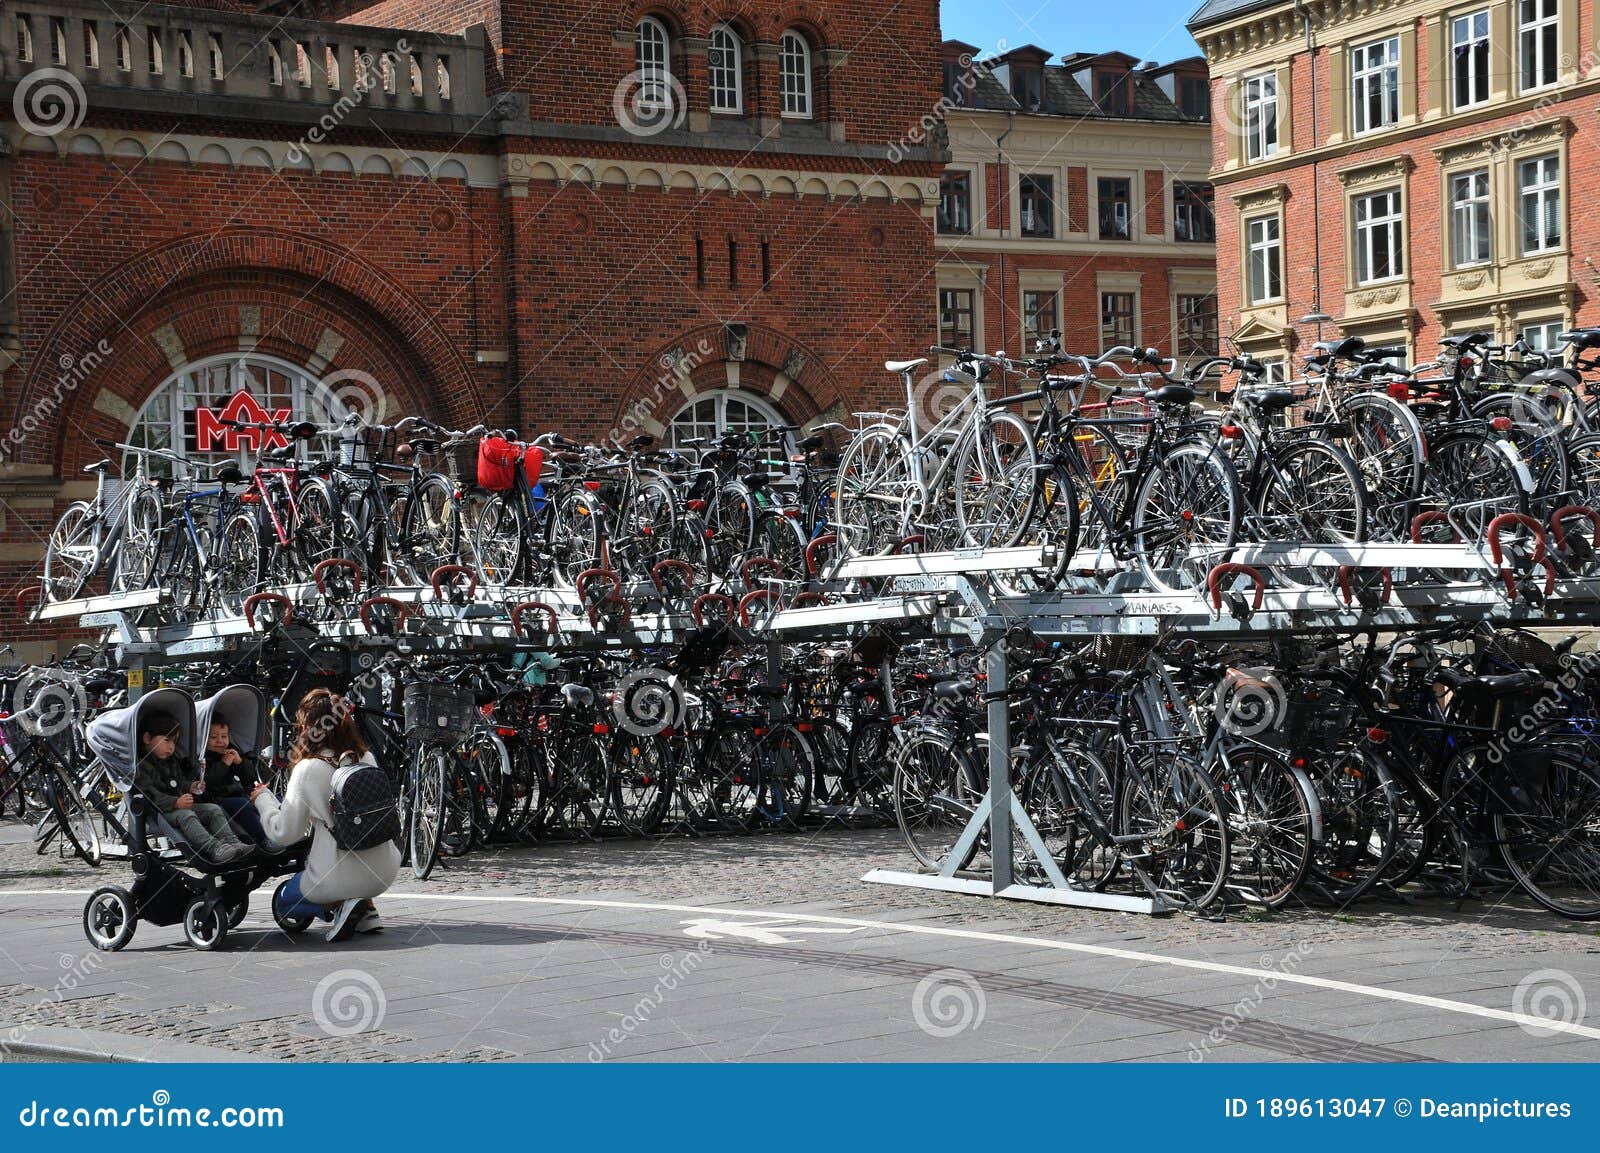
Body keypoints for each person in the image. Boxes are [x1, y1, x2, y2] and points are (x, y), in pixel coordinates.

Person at [253, 688, 399, 941]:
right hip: (384, 870)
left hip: (335, 878)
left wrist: (263, 800)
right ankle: (365, 907)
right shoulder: (366, 758)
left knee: (285, 903)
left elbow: (286, 833)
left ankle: (340, 904)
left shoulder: (306, 769)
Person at [134, 710, 252, 865]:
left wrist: (191, 786)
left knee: (212, 809)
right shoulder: (141, 766)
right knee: (186, 816)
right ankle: (215, 849)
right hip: (161, 812)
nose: (171, 747)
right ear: (147, 738)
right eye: (167, 741)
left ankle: (232, 842)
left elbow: (178, 781)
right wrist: (175, 802)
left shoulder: (170, 760)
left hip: (178, 804)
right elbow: (150, 795)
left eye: (174, 742)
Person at [203, 719, 270, 846]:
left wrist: (240, 763)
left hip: (242, 792)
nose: (220, 741)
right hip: (220, 797)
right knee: (242, 805)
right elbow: (210, 781)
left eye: (224, 736)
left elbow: (250, 777)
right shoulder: (203, 758)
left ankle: (283, 830)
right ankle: (262, 837)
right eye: (213, 737)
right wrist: (224, 764)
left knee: (267, 797)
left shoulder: (233, 751)